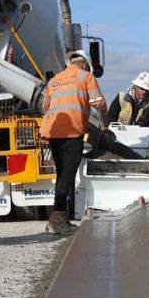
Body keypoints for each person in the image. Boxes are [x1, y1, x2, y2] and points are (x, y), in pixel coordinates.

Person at [39, 49, 108, 236]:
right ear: (85, 64)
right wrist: (105, 124)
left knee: (63, 174)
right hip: (72, 132)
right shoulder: (85, 77)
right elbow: (98, 103)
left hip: (54, 133)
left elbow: (46, 105)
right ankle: (56, 220)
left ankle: (60, 219)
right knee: (67, 176)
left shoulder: (54, 80)